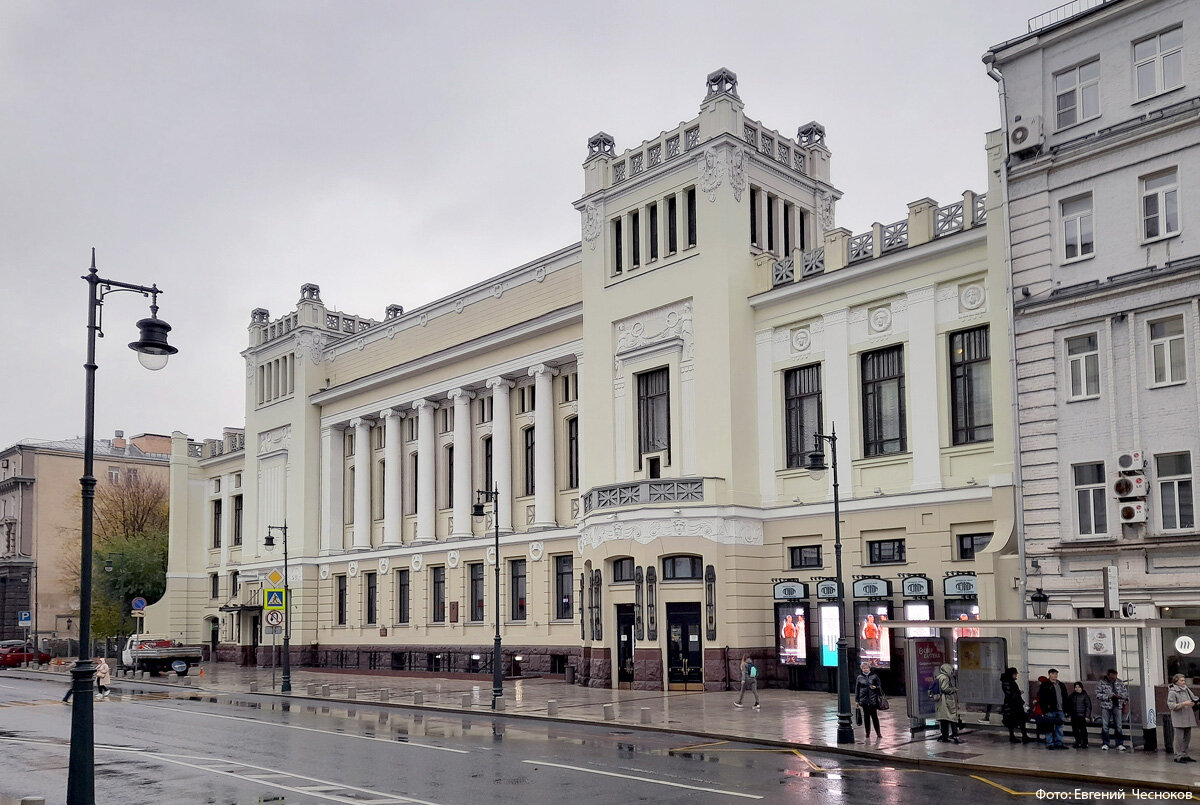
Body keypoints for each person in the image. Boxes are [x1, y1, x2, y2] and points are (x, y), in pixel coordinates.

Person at [1095, 668, 1129, 751]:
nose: (1113, 679)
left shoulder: (1120, 682)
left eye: (1114, 677)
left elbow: (1126, 693)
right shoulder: (1102, 683)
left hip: (1117, 706)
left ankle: (1119, 743)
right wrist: (1107, 696)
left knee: (1118, 725)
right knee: (1105, 725)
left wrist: (1121, 696)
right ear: (1108, 676)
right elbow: (1097, 694)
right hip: (1106, 706)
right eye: (1111, 677)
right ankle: (1105, 743)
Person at [1167, 673, 1198, 763]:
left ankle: (1185, 754)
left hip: (1188, 717)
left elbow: (1193, 698)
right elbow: (1171, 706)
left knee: (1187, 738)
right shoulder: (1172, 692)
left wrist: (1196, 701)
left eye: (1184, 680)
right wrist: (1184, 704)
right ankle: (1178, 756)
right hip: (1179, 718)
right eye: (1181, 680)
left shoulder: (1186, 689)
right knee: (1179, 739)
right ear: (1176, 681)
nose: (1184, 682)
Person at [1037, 668, 1070, 749]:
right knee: (1049, 727)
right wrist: (1044, 710)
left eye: (1056, 674)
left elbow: (1065, 697)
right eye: (1053, 674)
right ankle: (1050, 743)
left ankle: (1059, 742)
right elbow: (1041, 699)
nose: (1055, 675)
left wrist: (1066, 709)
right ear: (1049, 675)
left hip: (1060, 709)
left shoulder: (1061, 685)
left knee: (1059, 727)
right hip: (1050, 710)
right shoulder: (1045, 685)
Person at [1000, 667, 1031, 743]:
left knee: (1021, 720)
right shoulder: (1007, 682)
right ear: (1011, 674)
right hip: (1012, 705)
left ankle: (1024, 736)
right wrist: (1018, 693)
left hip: (1015, 704)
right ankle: (1013, 736)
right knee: (1013, 721)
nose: (1016, 676)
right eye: (1015, 674)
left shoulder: (1010, 682)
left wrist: (1018, 693)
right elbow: (1009, 693)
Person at [855, 661, 883, 741]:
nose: (865, 669)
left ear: (869, 668)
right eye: (863, 668)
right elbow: (857, 689)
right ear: (861, 669)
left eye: (866, 668)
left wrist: (875, 687)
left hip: (873, 700)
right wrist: (857, 700)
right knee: (866, 717)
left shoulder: (874, 676)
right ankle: (867, 733)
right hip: (864, 700)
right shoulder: (859, 677)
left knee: (874, 717)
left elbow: (879, 686)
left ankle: (878, 733)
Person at [934, 662, 961, 744]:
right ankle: (955, 735)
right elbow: (945, 688)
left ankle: (944, 736)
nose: (952, 672)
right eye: (951, 670)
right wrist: (953, 689)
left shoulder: (939, 677)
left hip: (941, 702)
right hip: (946, 702)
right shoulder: (945, 678)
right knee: (952, 718)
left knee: (944, 720)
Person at [1068, 681, 1091, 749]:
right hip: (1074, 715)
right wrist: (1069, 714)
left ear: (1081, 688)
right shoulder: (1072, 696)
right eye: (1076, 687)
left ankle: (1085, 742)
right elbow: (1069, 706)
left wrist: (1087, 716)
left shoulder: (1085, 696)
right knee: (1075, 730)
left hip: (1082, 716)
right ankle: (1077, 742)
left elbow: (1088, 706)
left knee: (1083, 730)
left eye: (1079, 687)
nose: (1077, 689)